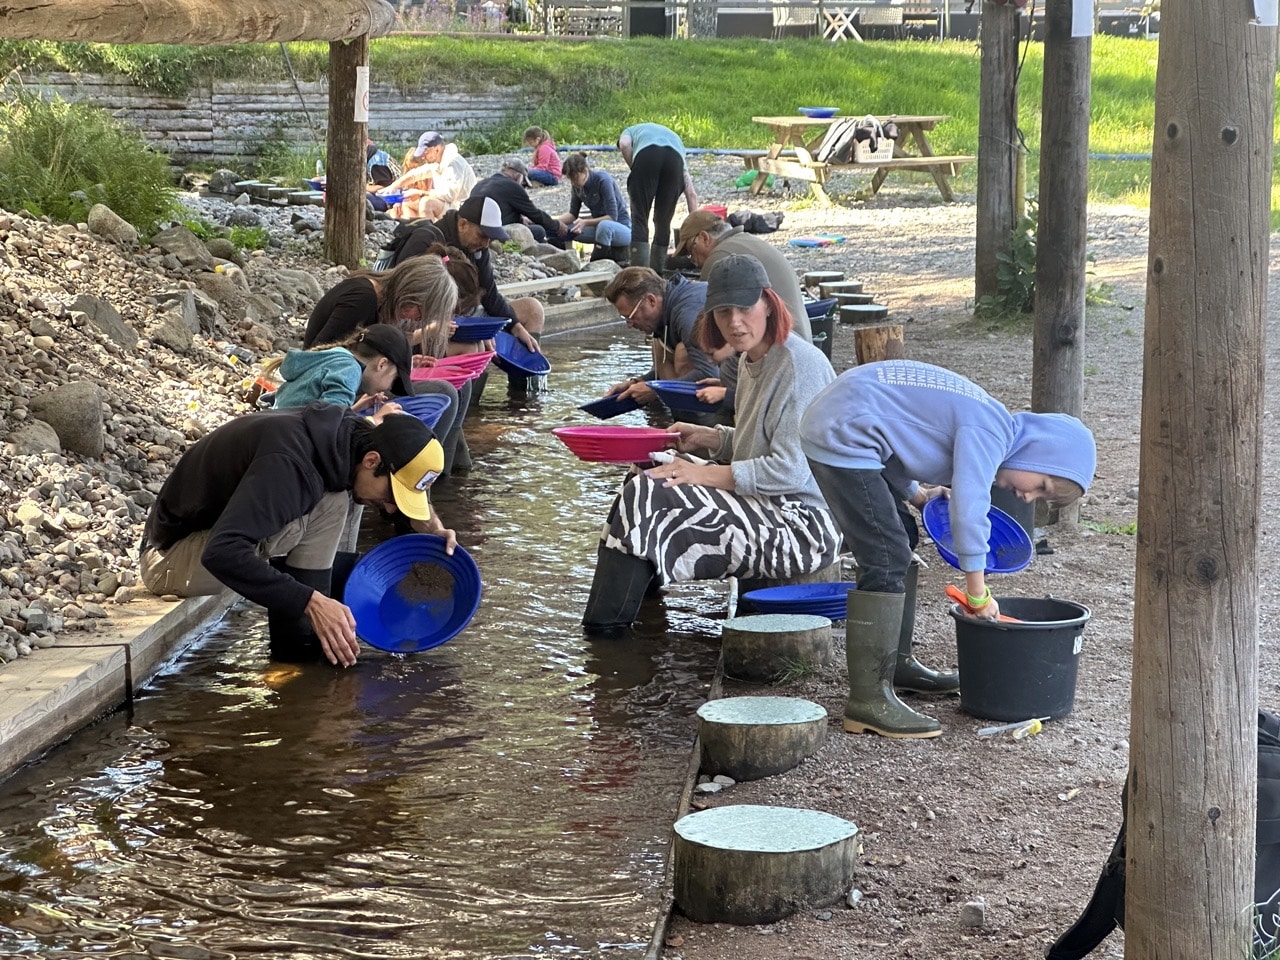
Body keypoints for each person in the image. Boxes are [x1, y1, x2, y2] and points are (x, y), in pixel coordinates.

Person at [798, 359, 1097, 740]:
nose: (1028, 496)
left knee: (901, 538)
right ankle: (868, 700)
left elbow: (897, 437)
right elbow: (969, 508)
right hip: (839, 432)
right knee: (886, 554)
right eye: (1041, 485)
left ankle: (895, 667)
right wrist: (977, 590)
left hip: (850, 424)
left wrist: (917, 496)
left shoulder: (992, 423)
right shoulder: (991, 432)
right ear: (1039, 453)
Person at [582, 254, 840, 637]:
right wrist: (712, 439)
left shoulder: (797, 365)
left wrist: (700, 473)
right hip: (773, 507)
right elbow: (760, 443)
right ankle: (632, 615)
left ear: (768, 304)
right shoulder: (755, 359)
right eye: (723, 312)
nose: (734, 322)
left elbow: (789, 469)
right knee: (648, 472)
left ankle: (606, 634)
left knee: (652, 494)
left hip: (804, 528)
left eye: (744, 308)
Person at [139, 405, 454, 667]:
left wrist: (434, 530)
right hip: (170, 558)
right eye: (392, 496)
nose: (389, 509)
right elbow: (222, 553)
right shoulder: (290, 467)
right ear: (372, 460)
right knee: (330, 503)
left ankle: (310, 648)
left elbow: (395, 494)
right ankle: (293, 656)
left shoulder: (348, 437)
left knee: (347, 495)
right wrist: (310, 601)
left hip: (212, 536)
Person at [301, 256, 469, 474]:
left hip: (354, 385)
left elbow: (362, 349)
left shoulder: (374, 295)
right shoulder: (363, 298)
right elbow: (320, 358)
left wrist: (400, 361)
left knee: (457, 388)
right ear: (411, 293)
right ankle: (424, 477)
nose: (418, 318)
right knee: (445, 392)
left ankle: (436, 472)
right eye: (421, 310)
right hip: (336, 392)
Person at [385, 194, 545, 353]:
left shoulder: (479, 248)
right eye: (482, 235)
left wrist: (516, 326)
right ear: (463, 224)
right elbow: (404, 299)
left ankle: (530, 370)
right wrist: (474, 332)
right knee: (475, 347)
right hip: (427, 322)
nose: (486, 244)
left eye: (490, 238)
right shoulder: (425, 240)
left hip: (463, 316)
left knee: (533, 310)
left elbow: (489, 293)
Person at [599, 266, 725, 425]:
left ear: (651, 300)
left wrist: (654, 390)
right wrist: (637, 383)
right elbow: (661, 374)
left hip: (734, 384)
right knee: (659, 346)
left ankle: (701, 430)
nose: (629, 325)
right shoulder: (667, 309)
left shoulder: (687, 314)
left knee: (682, 353)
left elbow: (708, 373)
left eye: (631, 317)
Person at [673, 210, 811, 342]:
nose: (692, 260)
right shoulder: (746, 240)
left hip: (779, 343)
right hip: (798, 339)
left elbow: (704, 325)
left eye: (691, 251)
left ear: (704, 238)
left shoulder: (719, 259)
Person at [268, 324, 413, 415]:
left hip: (276, 428)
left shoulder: (337, 357)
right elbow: (325, 423)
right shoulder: (350, 369)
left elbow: (323, 410)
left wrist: (355, 408)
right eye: (393, 380)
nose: (388, 388)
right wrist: (375, 420)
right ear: (382, 364)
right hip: (287, 441)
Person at [617, 122, 699, 275]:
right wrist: (697, 231)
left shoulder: (630, 130)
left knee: (640, 217)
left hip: (646, 158)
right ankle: (658, 275)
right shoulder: (675, 140)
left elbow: (624, 144)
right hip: (674, 162)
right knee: (663, 221)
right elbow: (691, 194)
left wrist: (634, 168)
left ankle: (639, 275)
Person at [469, 158, 567, 245]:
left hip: (472, 231)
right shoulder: (512, 185)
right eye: (523, 183)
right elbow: (535, 214)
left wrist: (520, 219)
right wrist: (557, 225)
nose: (523, 187)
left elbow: (503, 207)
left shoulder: (481, 184)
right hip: (492, 234)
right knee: (539, 231)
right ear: (517, 175)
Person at [556, 151, 632, 265]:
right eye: (570, 179)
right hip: (597, 228)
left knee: (604, 226)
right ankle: (567, 263)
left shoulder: (603, 180)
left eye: (575, 178)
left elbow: (612, 217)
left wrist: (586, 222)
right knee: (562, 229)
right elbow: (572, 215)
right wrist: (552, 222)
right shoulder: (576, 186)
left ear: (585, 171)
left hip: (620, 228)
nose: (573, 182)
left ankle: (595, 264)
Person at [385, 131, 478, 221]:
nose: (422, 157)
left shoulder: (453, 164)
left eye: (425, 152)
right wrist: (394, 186)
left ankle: (431, 234)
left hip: (461, 208)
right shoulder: (439, 160)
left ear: (436, 149)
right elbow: (416, 174)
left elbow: (449, 196)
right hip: (448, 204)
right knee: (407, 203)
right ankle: (415, 230)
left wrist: (420, 193)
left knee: (426, 203)